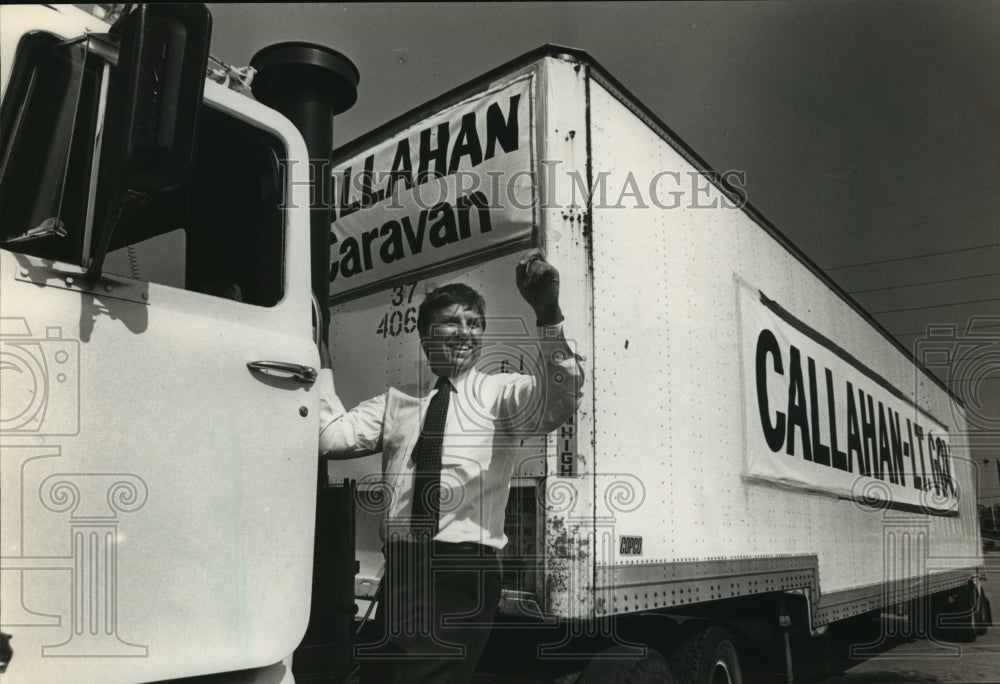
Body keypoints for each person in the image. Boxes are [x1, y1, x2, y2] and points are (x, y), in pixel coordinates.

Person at [317, 250, 583, 684]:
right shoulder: (396, 400)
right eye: (452, 323)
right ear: (425, 335)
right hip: (402, 567)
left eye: (474, 324)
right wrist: (321, 366)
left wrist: (548, 316)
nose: (465, 333)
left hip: (462, 568)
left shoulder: (501, 394)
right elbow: (329, 437)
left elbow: (559, 401)